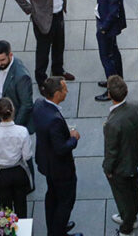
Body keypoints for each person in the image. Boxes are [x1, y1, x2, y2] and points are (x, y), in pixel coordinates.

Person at [33, 77, 82, 236]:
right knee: (66, 201)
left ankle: (55, 228)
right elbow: (61, 149)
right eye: (64, 89)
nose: (66, 92)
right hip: (60, 169)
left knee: (52, 196)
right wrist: (73, 138)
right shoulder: (54, 120)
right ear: (56, 94)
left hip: (47, 163)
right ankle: (57, 231)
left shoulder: (39, 104)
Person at [76, 0, 126, 99]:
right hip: (107, 26)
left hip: (106, 28)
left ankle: (112, 91)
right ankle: (117, 80)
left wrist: (103, 29)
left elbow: (113, 12)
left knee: (107, 58)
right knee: (114, 53)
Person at [101, 76, 138, 235]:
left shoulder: (112, 124)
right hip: (134, 158)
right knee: (133, 190)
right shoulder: (136, 105)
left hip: (120, 166)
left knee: (123, 198)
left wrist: (107, 169)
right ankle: (131, 219)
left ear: (109, 95)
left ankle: (126, 228)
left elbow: (111, 151)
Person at [0, 97, 34, 216]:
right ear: (13, 110)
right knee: (21, 205)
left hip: (1, 174)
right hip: (19, 172)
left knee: (5, 210)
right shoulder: (22, 131)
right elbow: (27, 155)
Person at [0, 40, 33, 129]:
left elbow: (26, 105)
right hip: (3, 116)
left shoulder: (22, 77)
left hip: (14, 122)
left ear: (10, 55)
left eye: (2, 60)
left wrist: (13, 127)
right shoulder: (4, 65)